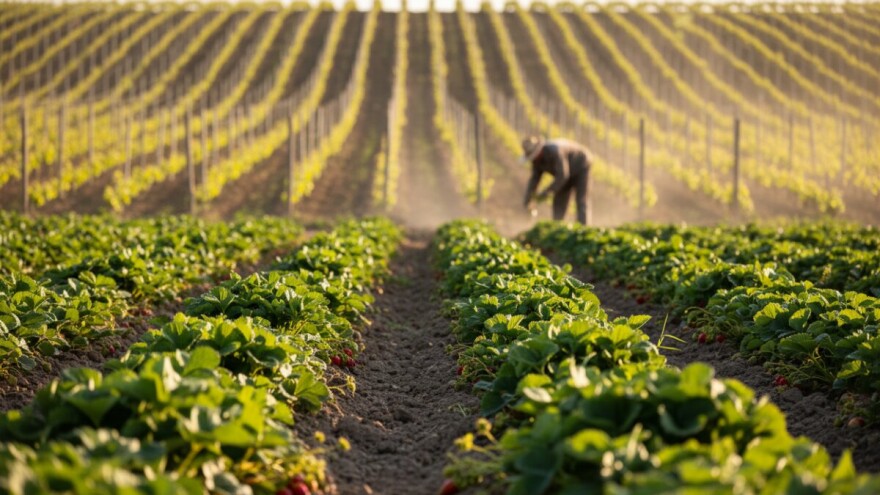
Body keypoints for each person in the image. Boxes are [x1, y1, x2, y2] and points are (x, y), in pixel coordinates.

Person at [521, 135, 592, 225]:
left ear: (539, 151)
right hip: (565, 173)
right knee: (559, 202)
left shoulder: (555, 152)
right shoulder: (536, 162)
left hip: (581, 165)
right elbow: (534, 180)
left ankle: (583, 227)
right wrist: (528, 199)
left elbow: (563, 176)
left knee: (581, 200)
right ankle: (558, 227)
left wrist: (546, 193)